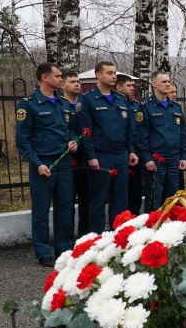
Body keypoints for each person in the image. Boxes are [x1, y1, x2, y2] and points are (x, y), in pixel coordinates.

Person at [16, 63, 77, 267]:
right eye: (58, 76)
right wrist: (37, 163)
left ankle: (64, 250)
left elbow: (70, 129)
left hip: (64, 163)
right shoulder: (29, 104)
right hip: (44, 165)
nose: (61, 80)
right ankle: (43, 252)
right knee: (41, 210)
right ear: (45, 77)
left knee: (65, 208)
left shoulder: (62, 102)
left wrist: (73, 141)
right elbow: (22, 140)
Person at [75, 61, 138, 234]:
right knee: (98, 200)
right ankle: (97, 239)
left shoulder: (120, 99)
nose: (113, 76)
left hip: (121, 155)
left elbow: (129, 128)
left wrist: (131, 150)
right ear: (98, 75)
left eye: (114, 73)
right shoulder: (87, 100)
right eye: (109, 73)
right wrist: (91, 156)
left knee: (120, 200)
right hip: (101, 157)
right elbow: (85, 131)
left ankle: (118, 238)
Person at [136, 71, 186, 211]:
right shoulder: (145, 106)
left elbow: (183, 134)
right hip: (156, 159)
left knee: (173, 199)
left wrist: (184, 156)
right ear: (154, 84)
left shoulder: (175, 107)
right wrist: (147, 158)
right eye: (163, 82)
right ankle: (153, 229)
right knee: (154, 198)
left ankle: (171, 229)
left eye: (168, 81)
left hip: (174, 159)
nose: (167, 84)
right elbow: (142, 136)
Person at [61, 71, 87, 236]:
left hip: (85, 158)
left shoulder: (84, 105)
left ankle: (85, 235)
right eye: (72, 82)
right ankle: (67, 235)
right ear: (62, 85)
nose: (77, 84)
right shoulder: (59, 105)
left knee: (86, 200)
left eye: (78, 81)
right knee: (67, 201)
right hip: (67, 160)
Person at [115, 74, 143, 215]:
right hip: (119, 152)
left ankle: (134, 218)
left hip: (135, 152)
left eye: (133, 85)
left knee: (135, 191)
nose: (132, 88)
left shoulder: (136, 105)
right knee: (119, 193)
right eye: (129, 85)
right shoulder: (115, 104)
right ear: (119, 87)